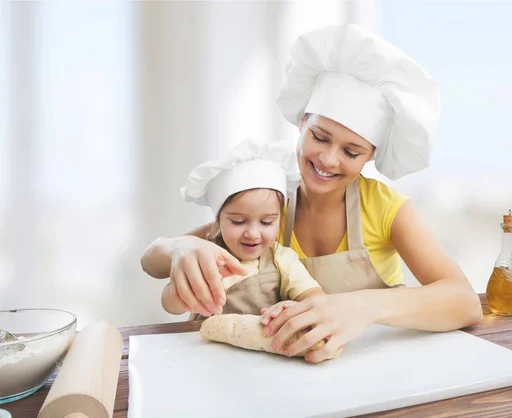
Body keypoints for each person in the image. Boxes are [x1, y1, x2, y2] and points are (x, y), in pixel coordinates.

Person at [141, 24, 483, 364]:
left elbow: (464, 302)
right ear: (302, 121)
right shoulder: (270, 199)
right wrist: (180, 247)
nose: (328, 159)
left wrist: (363, 306)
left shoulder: (384, 208)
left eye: (352, 152)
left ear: (372, 155)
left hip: (370, 368)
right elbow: (151, 262)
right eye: (320, 137)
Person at [160, 138, 325, 320]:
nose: (253, 234)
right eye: (238, 221)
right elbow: (170, 306)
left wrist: (294, 307)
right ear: (218, 220)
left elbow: (316, 299)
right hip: (206, 346)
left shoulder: (282, 259)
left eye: (267, 222)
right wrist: (182, 294)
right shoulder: (205, 256)